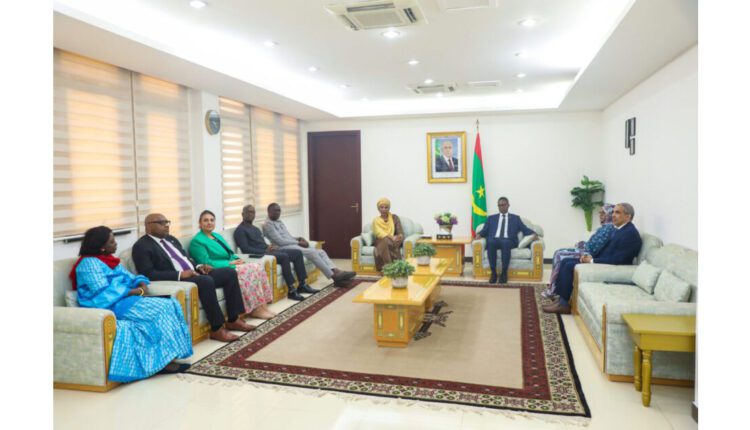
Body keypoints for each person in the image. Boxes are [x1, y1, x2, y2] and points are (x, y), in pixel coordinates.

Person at [70, 226, 193, 382]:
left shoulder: (110, 261)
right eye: (112, 242)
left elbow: (129, 276)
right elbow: (101, 292)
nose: (116, 244)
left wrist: (140, 282)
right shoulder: (88, 263)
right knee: (163, 308)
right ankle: (165, 362)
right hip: (110, 305)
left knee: (171, 303)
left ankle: (168, 357)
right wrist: (130, 291)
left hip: (126, 301)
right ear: (101, 247)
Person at [132, 213, 255, 342]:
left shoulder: (171, 239)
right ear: (148, 226)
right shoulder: (141, 246)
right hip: (178, 279)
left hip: (194, 272)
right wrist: (180, 274)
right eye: (161, 223)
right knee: (206, 281)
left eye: (167, 222)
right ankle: (217, 328)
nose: (166, 225)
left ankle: (233, 320)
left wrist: (199, 266)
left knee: (229, 273)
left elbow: (186, 259)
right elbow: (148, 273)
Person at [543, 203, 643, 314]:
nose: (613, 215)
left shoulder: (630, 234)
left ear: (628, 216)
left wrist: (592, 261)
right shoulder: (619, 229)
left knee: (569, 265)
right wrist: (590, 257)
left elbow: (618, 259)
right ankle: (561, 300)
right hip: (602, 261)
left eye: (617, 212)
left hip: (611, 267)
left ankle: (563, 305)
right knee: (565, 261)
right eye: (613, 212)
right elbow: (606, 251)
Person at [189, 210, 276, 319]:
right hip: (217, 270)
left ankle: (262, 305)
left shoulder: (217, 236)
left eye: (212, 220)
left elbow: (230, 252)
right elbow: (206, 262)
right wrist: (229, 263)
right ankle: (255, 309)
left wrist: (237, 259)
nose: (209, 222)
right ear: (200, 223)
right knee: (249, 270)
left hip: (230, 264)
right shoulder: (197, 241)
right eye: (205, 220)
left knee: (257, 267)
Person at [234, 204, 317, 301]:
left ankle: (302, 284)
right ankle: (291, 290)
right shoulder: (240, 230)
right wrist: (264, 250)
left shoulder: (255, 228)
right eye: (248, 212)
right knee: (284, 257)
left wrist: (269, 246)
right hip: (260, 255)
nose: (250, 214)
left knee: (297, 253)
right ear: (242, 214)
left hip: (268, 250)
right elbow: (245, 249)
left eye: (253, 212)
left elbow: (261, 243)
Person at [263, 203, 356, 287]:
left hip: (291, 244)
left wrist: (298, 238)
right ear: (269, 212)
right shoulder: (268, 225)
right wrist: (298, 243)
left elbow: (288, 237)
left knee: (321, 251)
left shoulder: (279, 221)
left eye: (279, 210)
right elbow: (280, 241)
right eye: (275, 211)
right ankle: (334, 276)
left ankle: (336, 271)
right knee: (312, 252)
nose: (278, 213)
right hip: (283, 247)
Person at [542, 203, 617, 299]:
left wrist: (582, 245)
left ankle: (554, 290)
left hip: (590, 254)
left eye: (603, 213)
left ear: (610, 214)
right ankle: (554, 287)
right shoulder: (604, 227)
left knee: (560, 255)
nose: (600, 215)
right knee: (559, 252)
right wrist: (583, 244)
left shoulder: (609, 228)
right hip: (587, 250)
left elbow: (594, 248)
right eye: (600, 212)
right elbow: (593, 243)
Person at [477, 197, 538, 284]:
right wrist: (479, 234)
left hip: (509, 240)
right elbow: (485, 230)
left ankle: (504, 272)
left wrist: (533, 234)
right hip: (495, 239)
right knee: (490, 242)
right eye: (499, 205)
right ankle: (493, 273)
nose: (501, 207)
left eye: (503, 205)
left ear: (508, 205)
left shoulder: (515, 218)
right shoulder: (491, 218)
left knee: (505, 242)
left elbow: (524, 229)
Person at [372, 198, 404, 272]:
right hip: (380, 240)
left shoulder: (394, 218)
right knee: (386, 241)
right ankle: (390, 268)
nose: (384, 209)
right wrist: (391, 237)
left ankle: (388, 269)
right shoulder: (376, 220)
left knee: (391, 241)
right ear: (378, 208)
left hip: (394, 240)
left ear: (389, 208)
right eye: (382, 207)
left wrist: (399, 236)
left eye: (386, 207)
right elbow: (379, 233)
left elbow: (399, 230)